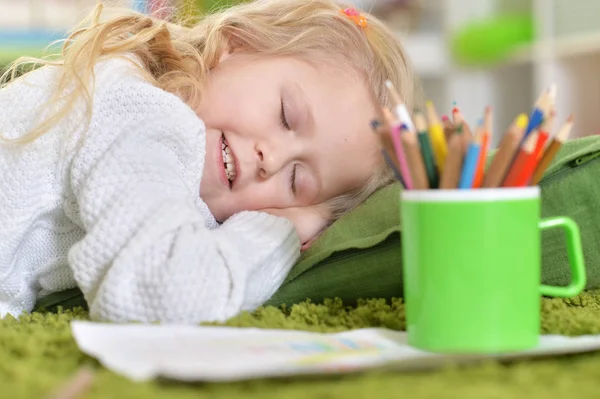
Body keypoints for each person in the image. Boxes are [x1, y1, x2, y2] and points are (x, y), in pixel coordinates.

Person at [0, 0, 419, 324]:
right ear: (235, 45)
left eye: (296, 181)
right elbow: (162, 295)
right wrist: (279, 231)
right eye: (286, 116)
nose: (270, 159)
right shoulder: (137, 111)